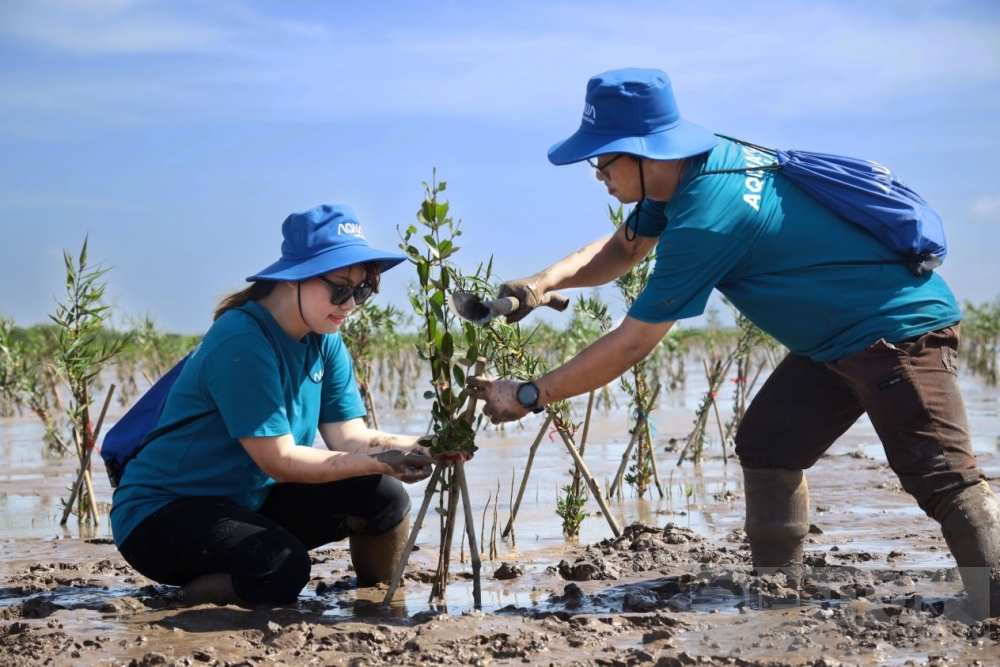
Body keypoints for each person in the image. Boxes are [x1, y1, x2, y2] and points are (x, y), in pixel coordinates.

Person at [466, 68, 1000, 619]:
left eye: (603, 159)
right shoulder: (703, 163)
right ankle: (778, 596)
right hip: (833, 343)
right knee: (770, 445)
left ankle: (994, 611)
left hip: (896, 332)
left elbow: (630, 345)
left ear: (645, 153)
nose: (597, 173)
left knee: (942, 477)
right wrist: (543, 283)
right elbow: (625, 249)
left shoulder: (706, 220)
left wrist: (530, 394)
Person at [110, 204, 436, 607]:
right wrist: (382, 459)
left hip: (248, 499)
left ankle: (378, 605)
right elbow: (279, 460)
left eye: (363, 290)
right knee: (281, 566)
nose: (350, 304)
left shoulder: (325, 339)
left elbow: (350, 437)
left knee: (383, 496)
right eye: (340, 288)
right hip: (161, 514)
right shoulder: (242, 340)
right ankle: (177, 604)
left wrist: (424, 445)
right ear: (292, 279)